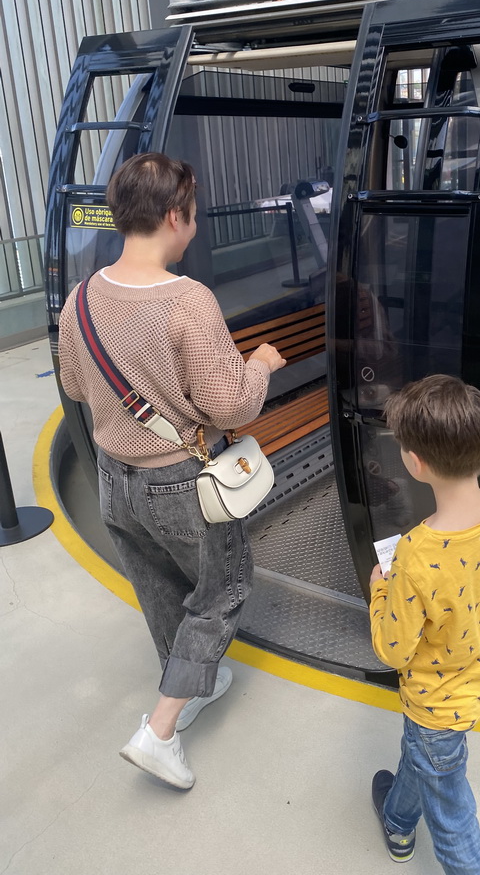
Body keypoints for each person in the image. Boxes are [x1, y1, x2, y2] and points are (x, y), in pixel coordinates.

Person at [58, 152, 286, 790]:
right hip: (180, 481)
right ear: (171, 217)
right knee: (221, 590)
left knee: (158, 586)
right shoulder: (188, 301)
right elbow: (231, 404)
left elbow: (76, 383)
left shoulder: (80, 299)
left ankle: (191, 683)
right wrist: (262, 363)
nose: (196, 224)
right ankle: (160, 730)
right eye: (193, 213)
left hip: (115, 479)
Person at [368, 375, 480, 874]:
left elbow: (393, 650)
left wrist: (382, 586)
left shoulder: (415, 553)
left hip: (435, 704)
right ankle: (399, 822)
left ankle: (417, 831)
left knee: (454, 823)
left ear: (415, 463)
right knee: (419, 754)